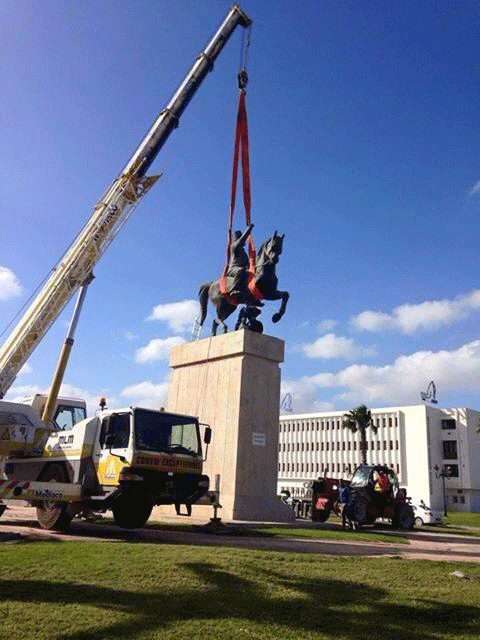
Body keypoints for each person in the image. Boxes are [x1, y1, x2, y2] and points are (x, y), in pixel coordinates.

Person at [227, 223, 254, 299]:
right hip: (234, 269)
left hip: (243, 270)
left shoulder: (244, 253)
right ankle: (233, 290)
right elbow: (242, 239)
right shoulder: (234, 246)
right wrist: (249, 229)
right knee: (240, 270)